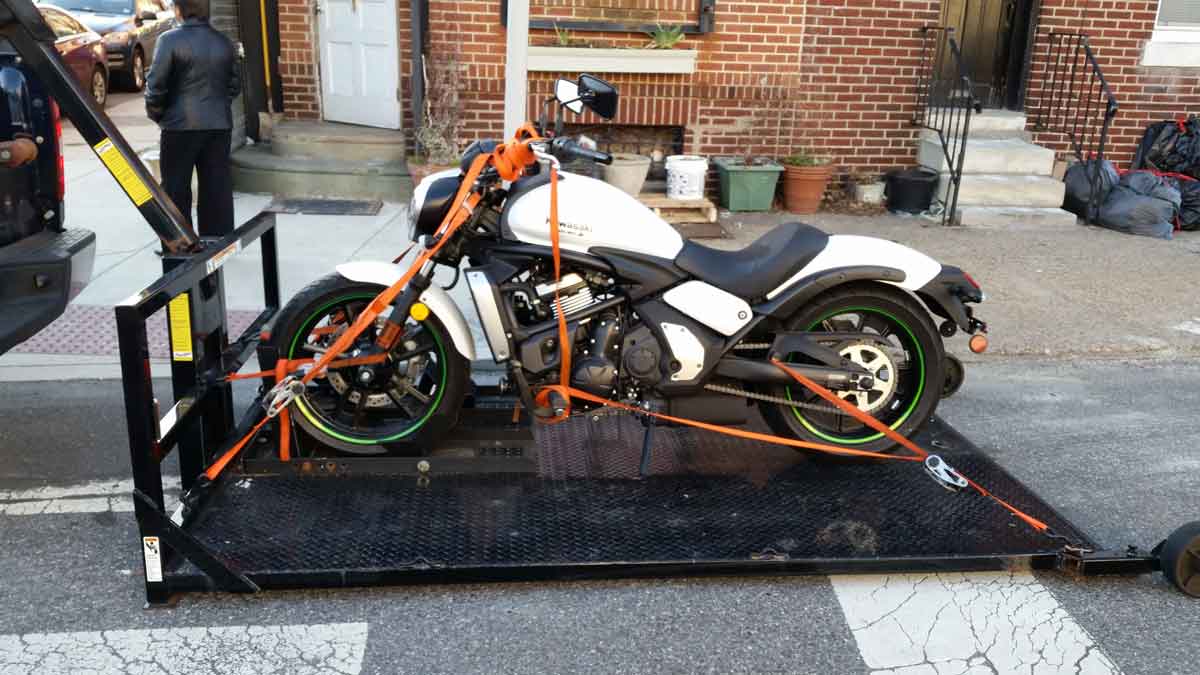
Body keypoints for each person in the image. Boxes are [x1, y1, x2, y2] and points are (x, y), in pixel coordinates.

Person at [144, 0, 240, 237]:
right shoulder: (224, 42)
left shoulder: (169, 40)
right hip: (218, 124)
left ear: (179, 10)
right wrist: (217, 106)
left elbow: (156, 86)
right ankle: (217, 241)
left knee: (175, 188)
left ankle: (181, 241)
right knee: (216, 186)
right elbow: (234, 85)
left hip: (179, 127)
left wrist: (158, 115)